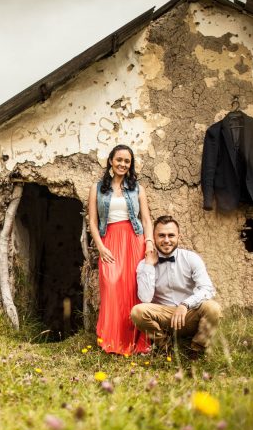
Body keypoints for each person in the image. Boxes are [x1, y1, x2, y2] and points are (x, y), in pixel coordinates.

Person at [88, 144, 153, 355]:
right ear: (111, 161)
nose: (122, 164)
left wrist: (149, 242)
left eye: (127, 161)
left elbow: (146, 219)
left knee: (134, 289)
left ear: (130, 164)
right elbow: (92, 222)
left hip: (134, 240)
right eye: (119, 160)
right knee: (112, 286)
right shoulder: (97, 188)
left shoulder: (138, 189)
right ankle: (113, 341)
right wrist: (100, 246)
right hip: (109, 241)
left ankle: (136, 343)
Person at [130, 215, 222, 359]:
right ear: (154, 237)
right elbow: (145, 298)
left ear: (178, 236)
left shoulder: (191, 258)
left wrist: (185, 304)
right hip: (164, 317)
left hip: (189, 314)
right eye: (161, 235)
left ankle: (196, 349)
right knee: (137, 312)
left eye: (171, 235)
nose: (166, 240)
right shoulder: (144, 264)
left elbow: (207, 289)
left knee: (213, 308)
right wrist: (149, 265)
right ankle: (165, 348)